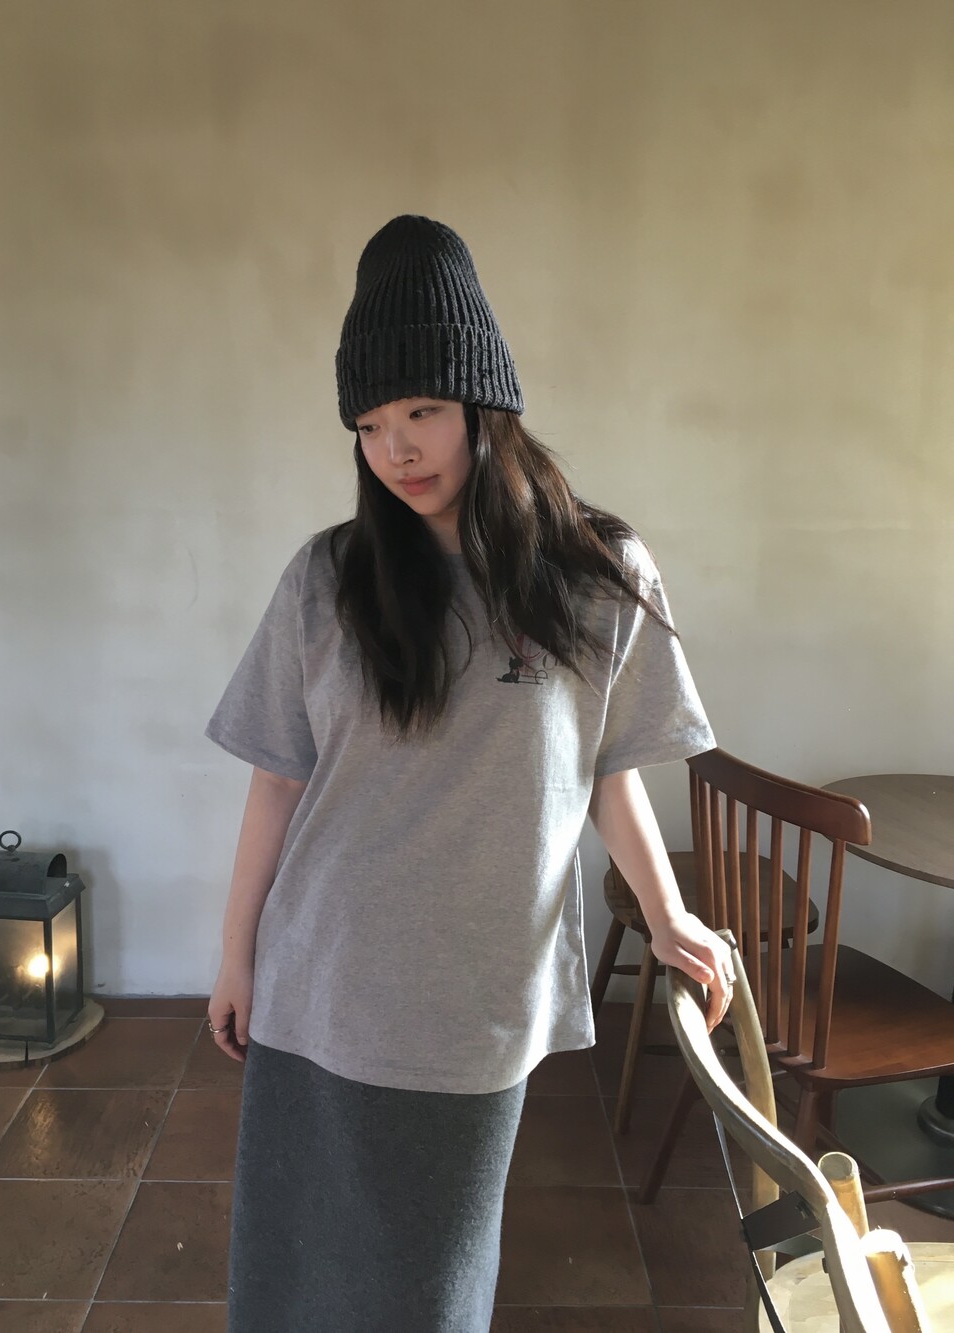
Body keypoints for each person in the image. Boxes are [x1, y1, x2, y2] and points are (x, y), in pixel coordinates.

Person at [204, 214, 733, 1333]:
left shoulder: (595, 575)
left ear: (484, 402)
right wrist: (237, 956)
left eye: (421, 411)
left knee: (430, 1294)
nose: (396, 449)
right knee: (291, 1280)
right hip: (319, 981)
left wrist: (668, 913)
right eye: (369, 424)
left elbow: (605, 770)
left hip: (471, 1003)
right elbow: (278, 783)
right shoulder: (327, 581)